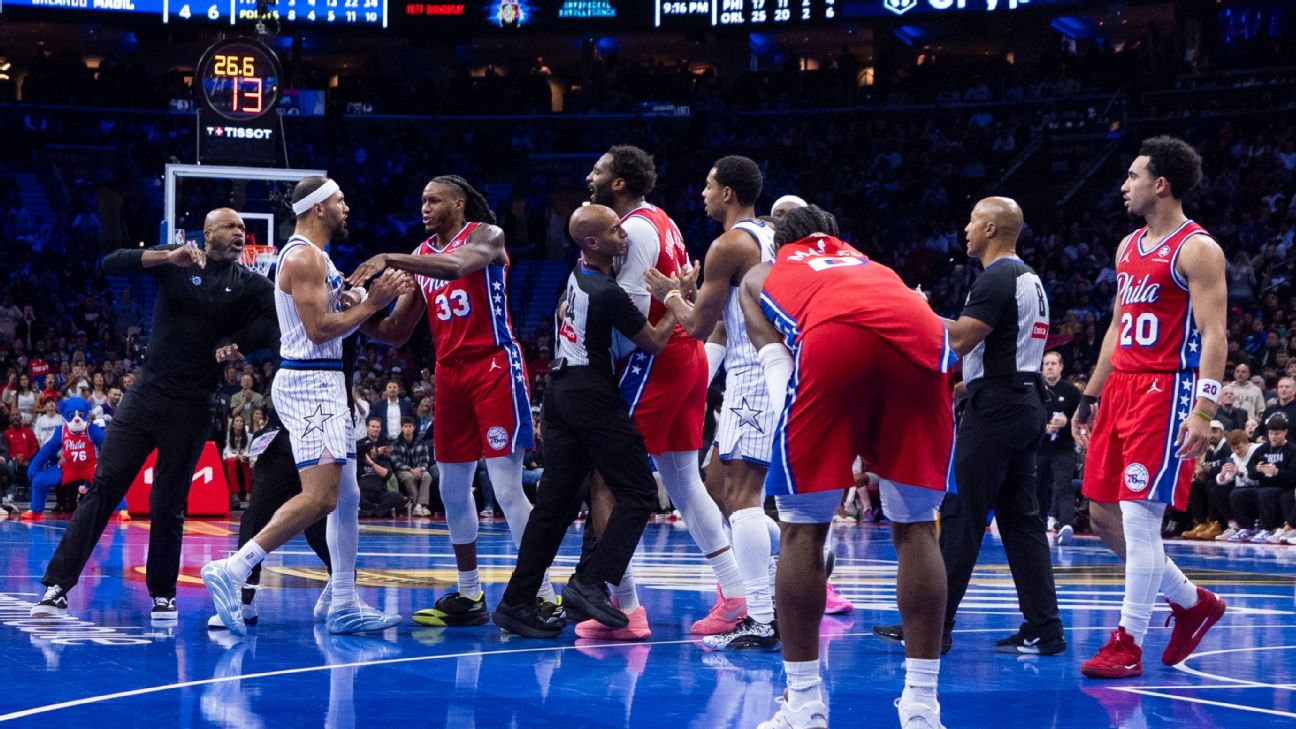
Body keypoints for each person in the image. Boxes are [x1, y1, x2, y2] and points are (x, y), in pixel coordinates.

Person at [739, 207, 954, 729]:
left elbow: (773, 351)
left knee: (802, 530)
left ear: (780, 244)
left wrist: (798, 414)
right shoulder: (874, 266)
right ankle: (922, 708)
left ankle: (804, 704)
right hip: (923, 338)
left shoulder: (767, 270)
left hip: (833, 342)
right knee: (918, 528)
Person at [32, 208, 279, 621]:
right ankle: (57, 586)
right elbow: (111, 263)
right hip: (146, 396)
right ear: (208, 233)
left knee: (169, 501)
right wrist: (166, 257)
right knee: (105, 487)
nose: (240, 232)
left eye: (242, 227)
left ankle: (163, 594)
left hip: (194, 405)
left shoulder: (251, 284)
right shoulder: (177, 260)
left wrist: (237, 340)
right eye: (231, 226)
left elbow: (273, 324)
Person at [202, 176, 409, 636]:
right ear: (318, 207)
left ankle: (344, 601)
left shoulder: (318, 257)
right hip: (312, 382)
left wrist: (352, 299)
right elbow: (317, 331)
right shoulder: (303, 256)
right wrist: (373, 303)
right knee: (322, 497)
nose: (346, 206)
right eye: (340, 199)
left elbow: (328, 318)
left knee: (348, 498)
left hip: (323, 381)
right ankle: (234, 569)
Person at [349, 174, 555, 626]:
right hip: (450, 375)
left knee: (506, 488)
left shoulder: (486, 236)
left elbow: (457, 266)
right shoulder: (422, 257)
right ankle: (469, 593)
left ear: (458, 204)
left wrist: (388, 257)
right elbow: (397, 332)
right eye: (421, 200)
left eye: (434, 200)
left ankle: (543, 594)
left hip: (493, 366)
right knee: (451, 488)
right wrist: (355, 313)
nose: (424, 207)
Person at [876, 197, 1066, 658]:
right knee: (1021, 522)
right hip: (1022, 404)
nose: (965, 228)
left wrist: (916, 311)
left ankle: (932, 624)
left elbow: (960, 339)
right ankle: (1044, 627)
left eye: (973, 220)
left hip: (998, 411)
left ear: (992, 228)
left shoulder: (996, 277)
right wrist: (962, 390)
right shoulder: (1028, 278)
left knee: (961, 513)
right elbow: (1004, 353)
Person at [1071, 136, 1228, 678]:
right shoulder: (1127, 247)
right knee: (1101, 515)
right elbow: (1118, 327)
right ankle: (1192, 602)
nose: (1124, 186)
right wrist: (1091, 395)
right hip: (1122, 387)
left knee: (1140, 520)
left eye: (1133, 176)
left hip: (1166, 390)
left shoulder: (1197, 248)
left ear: (1160, 185)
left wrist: (1204, 410)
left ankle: (1127, 642)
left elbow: (1214, 333)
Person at [490, 204, 678, 638]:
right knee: (639, 490)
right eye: (615, 230)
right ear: (592, 242)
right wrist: (675, 298)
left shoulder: (577, 274)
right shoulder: (606, 292)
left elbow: (566, 312)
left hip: (559, 394)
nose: (624, 234)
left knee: (554, 506)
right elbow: (653, 342)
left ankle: (516, 602)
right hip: (589, 393)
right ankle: (590, 582)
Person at [579, 145, 738, 640]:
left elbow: (628, 314)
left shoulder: (635, 230)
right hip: (685, 356)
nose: (590, 176)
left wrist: (597, 365)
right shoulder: (662, 219)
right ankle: (737, 595)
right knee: (685, 482)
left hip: (655, 361)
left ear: (619, 182)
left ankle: (624, 609)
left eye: (598, 170)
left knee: (609, 479)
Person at [643, 155, 782, 646]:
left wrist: (671, 294)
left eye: (707, 185)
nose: (702, 194)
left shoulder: (728, 245)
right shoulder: (772, 234)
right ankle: (797, 559)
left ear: (727, 193)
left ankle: (760, 616)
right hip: (771, 367)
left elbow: (699, 325)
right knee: (720, 485)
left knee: (741, 496)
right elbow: (721, 319)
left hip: (752, 373)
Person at [1229, 413, 1296, 542]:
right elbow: (1250, 470)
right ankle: (1246, 527)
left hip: (1283, 487)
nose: (1273, 437)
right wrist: (1257, 469)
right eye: (1271, 433)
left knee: (1265, 493)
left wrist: (1277, 472)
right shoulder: (1263, 448)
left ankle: (1266, 528)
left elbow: (1293, 477)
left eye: (1277, 434)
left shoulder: (1292, 450)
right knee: (1237, 494)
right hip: (1263, 486)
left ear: (1285, 432)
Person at [1038, 350, 1082, 543]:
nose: (1049, 367)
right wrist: (1044, 427)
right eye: (1046, 364)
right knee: (1038, 486)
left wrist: (1067, 421)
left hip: (1064, 448)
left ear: (1061, 367)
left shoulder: (1072, 392)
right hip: (1040, 448)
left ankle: (1066, 524)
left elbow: (1082, 419)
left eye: (1053, 363)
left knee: (1064, 485)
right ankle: (1039, 523)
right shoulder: (1035, 390)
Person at [1180, 421, 1231, 540]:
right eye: (1209, 432)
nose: (1211, 435)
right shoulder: (1210, 450)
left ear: (1222, 433)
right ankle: (1201, 522)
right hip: (1213, 478)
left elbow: (1227, 466)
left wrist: (1208, 470)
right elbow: (1206, 467)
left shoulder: (1227, 447)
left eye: (1215, 431)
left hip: (1226, 480)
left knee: (1211, 484)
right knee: (1196, 485)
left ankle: (1216, 523)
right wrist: (1202, 471)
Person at [392, 416, 435, 516]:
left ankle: (421, 504)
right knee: (409, 477)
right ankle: (416, 504)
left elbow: (425, 460)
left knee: (427, 476)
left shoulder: (421, 442)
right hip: (403, 470)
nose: (408, 429)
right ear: (401, 428)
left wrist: (419, 469)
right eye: (405, 426)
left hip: (419, 469)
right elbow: (396, 463)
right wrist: (411, 470)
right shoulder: (396, 443)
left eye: (410, 426)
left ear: (414, 427)